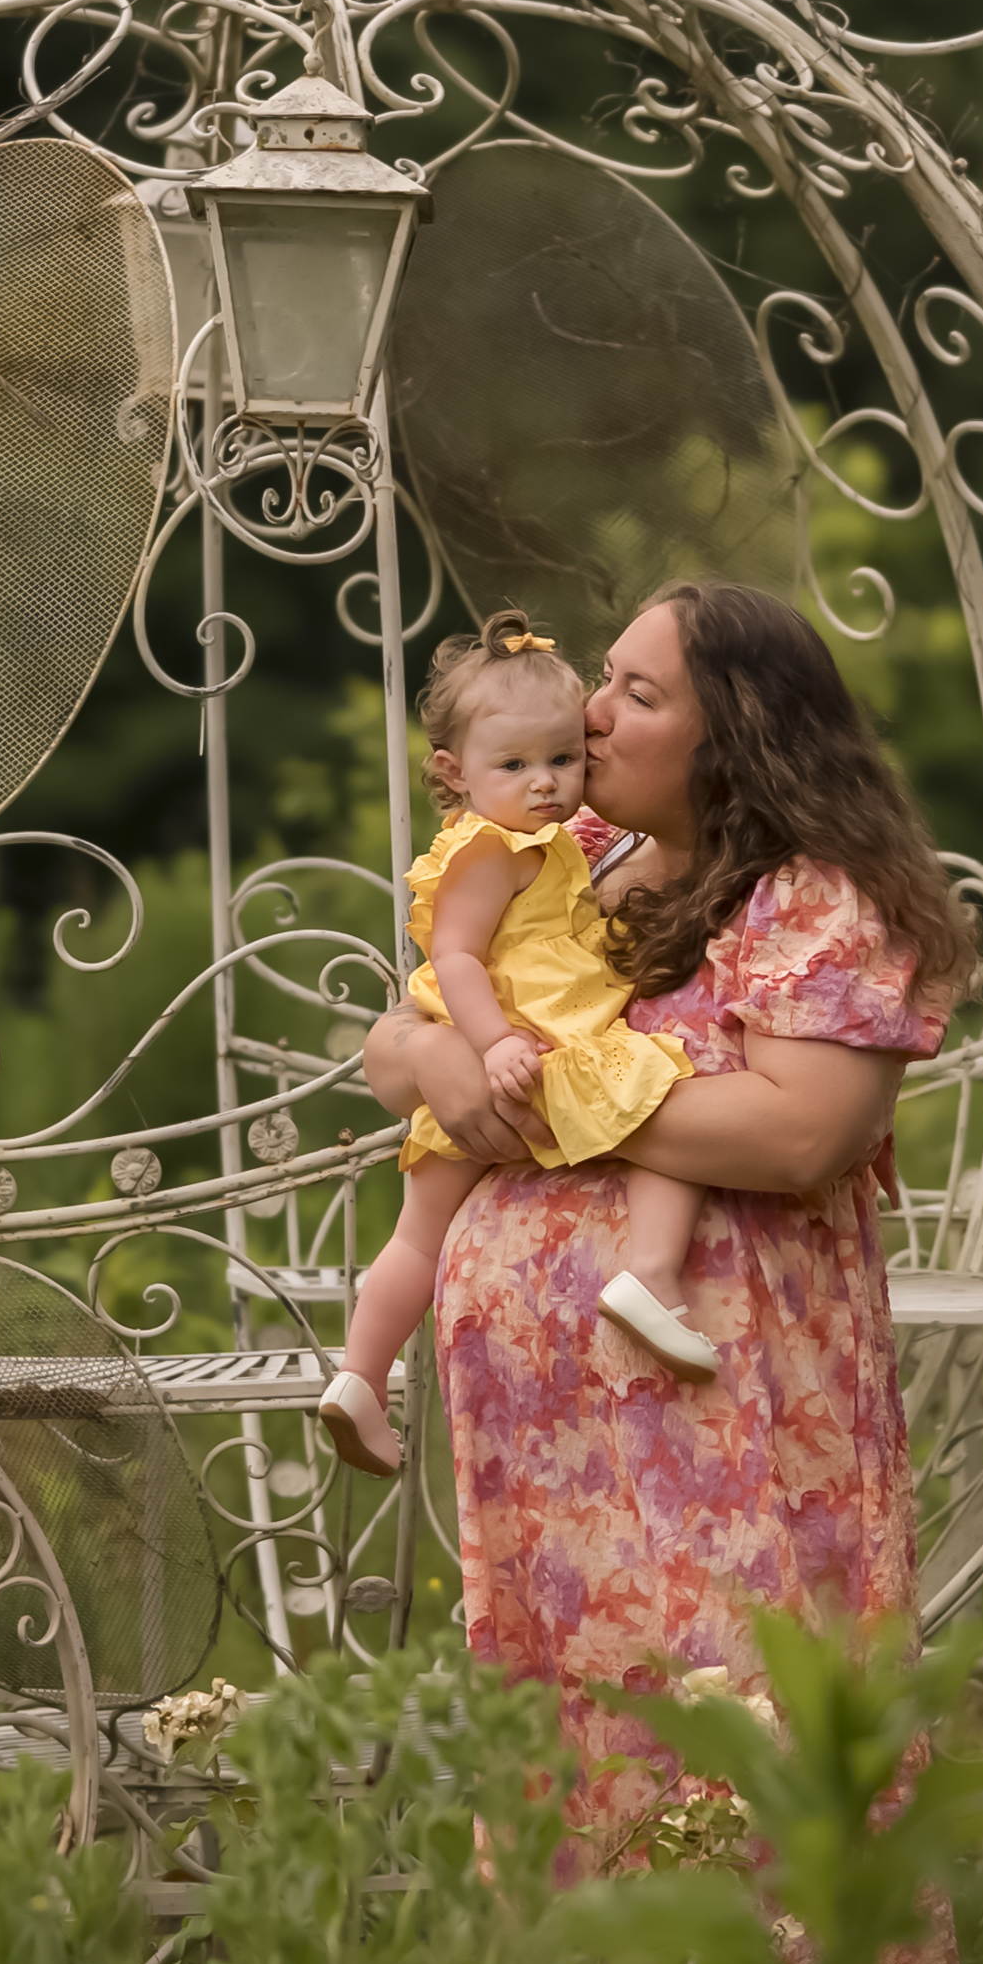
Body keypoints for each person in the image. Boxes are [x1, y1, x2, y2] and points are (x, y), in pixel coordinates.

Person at [353, 580, 976, 1867]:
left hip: (727, 1413)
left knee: (742, 1709)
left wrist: (544, 1110)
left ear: (734, 733)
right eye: (604, 681)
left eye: (636, 694)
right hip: (550, 1446)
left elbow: (807, 1131)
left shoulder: (815, 897)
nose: (587, 713)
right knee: (568, 1724)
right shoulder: (576, 851)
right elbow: (401, 1032)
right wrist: (427, 1056)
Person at [319, 612, 715, 1482]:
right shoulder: (495, 848)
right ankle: (650, 1271)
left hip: (503, 1056)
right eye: (515, 766)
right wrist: (488, 1043)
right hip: (528, 1039)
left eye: (561, 759)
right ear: (454, 774)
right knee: (657, 1075)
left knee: (417, 1239)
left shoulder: (552, 840)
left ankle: (360, 1376)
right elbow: (449, 958)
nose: (545, 783)